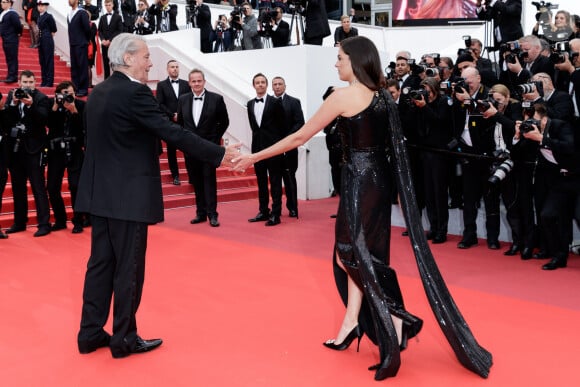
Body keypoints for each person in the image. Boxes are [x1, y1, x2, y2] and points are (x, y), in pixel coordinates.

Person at [232, 36, 492, 381]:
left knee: (348, 254)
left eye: (339, 58)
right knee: (365, 253)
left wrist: (253, 157)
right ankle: (352, 322)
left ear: (355, 60)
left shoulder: (343, 96)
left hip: (358, 180)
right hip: (379, 182)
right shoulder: (383, 95)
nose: (336, 63)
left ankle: (398, 317)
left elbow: (299, 137)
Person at [75, 33, 240, 358]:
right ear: (127, 59)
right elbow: (172, 132)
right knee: (128, 268)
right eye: (146, 56)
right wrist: (219, 154)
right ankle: (123, 339)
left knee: (99, 265)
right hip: (129, 197)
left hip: (98, 195)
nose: (151, 62)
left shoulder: (98, 92)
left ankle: (89, 333)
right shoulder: (135, 93)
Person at [177, 69, 229, 227]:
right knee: (196, 181)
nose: (196, 84)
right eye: (193, 81)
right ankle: (200, 213)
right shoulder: (183, 99)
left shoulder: (216, 99)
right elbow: (180, 123)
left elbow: (224, 122)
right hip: (191, 149)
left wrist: (213, 141)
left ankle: (212, 214)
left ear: (204, 82)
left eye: (199, 81)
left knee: (209, 180)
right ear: (189, 83)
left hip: (209, 149)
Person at [3, 70, 51, 237]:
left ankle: (44, 224)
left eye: (31, 82)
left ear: (35, 82)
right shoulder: (13, 96)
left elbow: (44, 120)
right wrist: (14, 104)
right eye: (25, 82)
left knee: (38, 187)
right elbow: (7, 121)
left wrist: (30, 106)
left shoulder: (42, 99)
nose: (28, 85)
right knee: (17, 188)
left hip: (35, 150)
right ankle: (19, 222)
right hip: (16, 150)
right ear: (19, 82)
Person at [46, 81, 87, 233]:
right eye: (64, 94)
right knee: (52, 187)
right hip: (56, 151)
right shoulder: (53, 104)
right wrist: (56, 107)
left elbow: (83, 127)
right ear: (58, 94)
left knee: (75, 185)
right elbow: (49, 124)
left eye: (70, 93)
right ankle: (60, 219)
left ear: (75, 93)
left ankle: (78, 220)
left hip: (75, 149)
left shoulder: (81, 106)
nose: (68, 96)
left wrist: (74, 110)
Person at [246, 73, 287, 226]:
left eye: (263, 82)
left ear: (266, 85)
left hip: (273, 149)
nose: (261, 85)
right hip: (257, 150)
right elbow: (254, 128)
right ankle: (263, 211)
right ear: (254, 85)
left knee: (275, 182)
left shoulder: (275, 102)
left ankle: (276, 214)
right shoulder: (250, 104)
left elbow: (283, 126)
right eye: (258, 82)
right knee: (261, 181)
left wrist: (279, 146)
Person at [272, 76, 304, 218]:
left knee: (290, 178)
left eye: (280, 84)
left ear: (285, 86)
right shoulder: (269, 102)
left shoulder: (294, 102)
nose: (277, 86)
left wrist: (287, 139)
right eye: (275, 84)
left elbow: (299, 123)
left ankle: (293, 207)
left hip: (290, 148)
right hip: (273, 149)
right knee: (275, 179)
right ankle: (275, 209)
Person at [156, 60, 190, 185]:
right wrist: (172, 115)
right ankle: (175, 175)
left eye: (176, 67)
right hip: (170, 123)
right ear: (167, 69)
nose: (175, 69)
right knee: (171, 151)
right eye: (172, 67)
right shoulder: (161, 85)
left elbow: (189, 101)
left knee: (189, 149)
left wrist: (181, 114)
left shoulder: (186, 84)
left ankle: (191, 175)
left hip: (185, 122)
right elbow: (159, 104)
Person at [67, 0, 91, 97]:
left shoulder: (82, 13)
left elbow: (87, 29)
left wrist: (85, 40)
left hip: (81, 44)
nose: (69, 1)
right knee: (74, 67)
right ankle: (75, 87)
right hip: (72, 44)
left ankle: (83, 89)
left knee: (82, 66)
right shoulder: (69, 14)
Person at [98, 0, 124, 79]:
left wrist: (110, 40)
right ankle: (106, 80)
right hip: (104, 44)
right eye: (106, 5)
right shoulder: (102, 18)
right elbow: (99, 30)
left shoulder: (118, 17)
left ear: (112, 5)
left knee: (115, 63)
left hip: (114, 44)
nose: (107, 7)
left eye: (109, 5)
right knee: (105, 63)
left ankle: (116, 80)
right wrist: (102, 40)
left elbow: (119, 30)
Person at [0, 0, 23, 84]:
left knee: (12, 58)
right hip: (6, 39)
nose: (1, 3)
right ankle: (10, 75)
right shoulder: (4, 12)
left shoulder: (12, 13)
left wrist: (18, 34)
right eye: (1, 2)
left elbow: (18, 25)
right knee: (8, 58)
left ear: (9, 3)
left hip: (11, 39)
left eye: (4, 2)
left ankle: (13, 76)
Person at [36, 1, 57, 88]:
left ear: (46, 7)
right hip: (41, 40)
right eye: (39, 6)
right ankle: (44, 80)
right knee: (42, 61)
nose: (40, 7)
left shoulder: (49, 16)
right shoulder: (39, 17)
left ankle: (49, 81)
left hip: (47, 39)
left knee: (48, 61)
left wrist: (47, 36)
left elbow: (54, 29)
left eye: (42, 6)